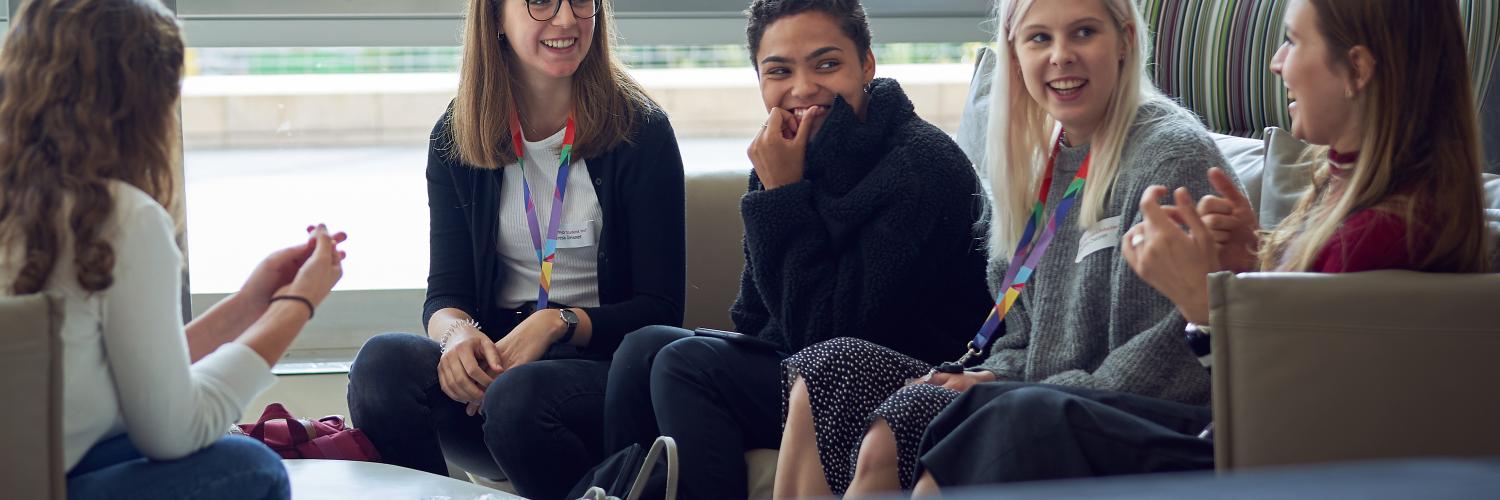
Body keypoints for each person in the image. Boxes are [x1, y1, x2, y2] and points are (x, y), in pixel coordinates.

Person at [912, 0, 1492, 494]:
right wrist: (1251, 261)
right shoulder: (1353, 191)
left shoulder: (1379, 236)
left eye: (1291, 41)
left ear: (1357, 69)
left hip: (1248, 455)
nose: (1276, 63)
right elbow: (1310, 340)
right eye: (1038, 38)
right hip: (1247, 437)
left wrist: (1205, 305)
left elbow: (1294, 416)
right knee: (977, 410)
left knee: (1016, 418)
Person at [773, 0, 1242, 496]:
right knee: (831, 365)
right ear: (1015, 55)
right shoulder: (1041, 158)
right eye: (1039, 39)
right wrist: (994, 374)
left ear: (1124, 40)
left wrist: (1017, 393)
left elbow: (1178, 354)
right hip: (1037, 398)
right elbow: (1019, 335)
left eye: (1083, 33)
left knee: (906, 422)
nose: (1061, 56)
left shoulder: (1170, 156)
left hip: (1133, 416)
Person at [599, 0, 994, 497]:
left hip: (897, 378)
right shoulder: (786, 154)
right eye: (779, 71)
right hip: (809, 363)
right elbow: (755, 317)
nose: (803, 88)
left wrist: (784, 197)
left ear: (866, 63)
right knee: (642, 349)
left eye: (827, 64)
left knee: (687, 366)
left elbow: (832, 339)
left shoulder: (921, 166)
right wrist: (779, 190)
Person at [0, 1, 347, 499]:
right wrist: (297, 307)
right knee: (251, 466)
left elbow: (130, 375)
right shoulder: (119, 216)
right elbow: (173, 431)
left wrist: (251, 304)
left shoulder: (23, 201)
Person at [344, 0, 686, 497]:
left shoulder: (640, 129)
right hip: (498, 364)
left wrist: (556, 322)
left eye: (581, 1)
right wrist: (457, 335)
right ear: (495, 18)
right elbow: (444, 294)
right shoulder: (457, 135)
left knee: (517, 396)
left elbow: (662, 311)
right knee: (381, 364)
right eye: (542, 1)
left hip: (598, 370)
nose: (567, 19)